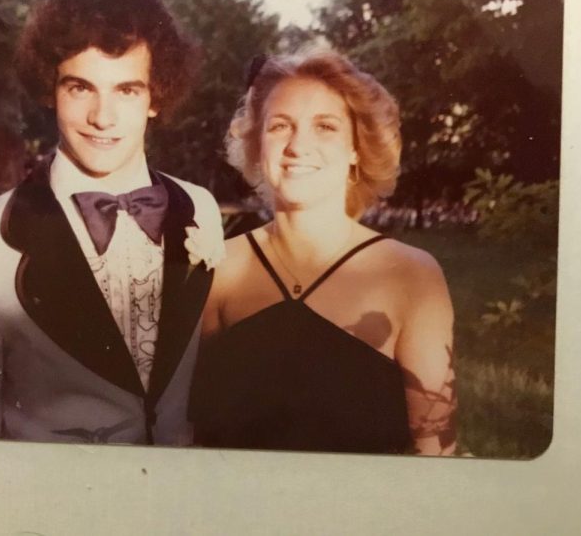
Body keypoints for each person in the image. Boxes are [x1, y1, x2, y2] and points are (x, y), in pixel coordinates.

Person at [0, 0, 223, 445]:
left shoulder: (200, 208)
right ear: (50, 89)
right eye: (81, 88)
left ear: (156, 98)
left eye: (127, 90)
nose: (103, 117)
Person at [189, 51, 457, 455]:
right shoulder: (216, 269)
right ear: (257, 143)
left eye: (325, 127)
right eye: (280, 126)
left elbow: (436, 453)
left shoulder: (411, 277)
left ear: (356, 149)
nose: (298, 146)